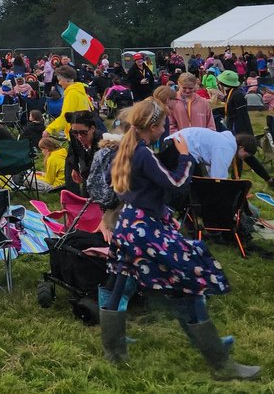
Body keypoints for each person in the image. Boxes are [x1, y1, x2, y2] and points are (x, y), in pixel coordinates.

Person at [101, 99, 257, 379]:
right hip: (145, 229)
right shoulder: (144, 154)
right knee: (189, 280)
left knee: (121, 281)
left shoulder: (129, 148)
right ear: (152, 126)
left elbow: (141, 193)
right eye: (163, 126)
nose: (164, 131)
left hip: (131, 224)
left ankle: (114, 351)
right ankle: (220, 363)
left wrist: (162, 213)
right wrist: (186, 157)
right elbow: (175, 184)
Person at [45, 66, 92, 138]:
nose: (59, 83)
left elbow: (65, 116)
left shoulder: (71, 94)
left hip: (77, 132)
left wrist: (49, 129)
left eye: (60, 80)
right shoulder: (80, 90)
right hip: (85, 129)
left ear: (67, 80)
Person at [63, 111, 102, 195]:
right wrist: (75, 168)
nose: (79, 136)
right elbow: (73, 150)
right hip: (86, 166)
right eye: (75, 133)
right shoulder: (74, 135)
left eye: (83, 133)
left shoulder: (101, 142)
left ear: (92, 129)